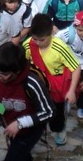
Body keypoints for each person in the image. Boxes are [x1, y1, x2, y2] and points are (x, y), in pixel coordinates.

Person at [22, 14, 79, 146]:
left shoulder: (60, 47)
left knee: (57, 113)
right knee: (37, 109)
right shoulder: (27, 46)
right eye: (35, 39)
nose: (37, 43)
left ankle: (59, 129)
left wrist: (71, 91)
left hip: (57, 88)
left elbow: (76, 68)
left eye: (41, 40)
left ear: (51, 33)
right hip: (38, 84)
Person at [56, 11, 83, 118]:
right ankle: (67, 101)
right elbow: (55, 43)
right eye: (80, 30)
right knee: (67, 85)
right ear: (75, 27)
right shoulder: (67, 34)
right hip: (70, 63)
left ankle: (82, 105)